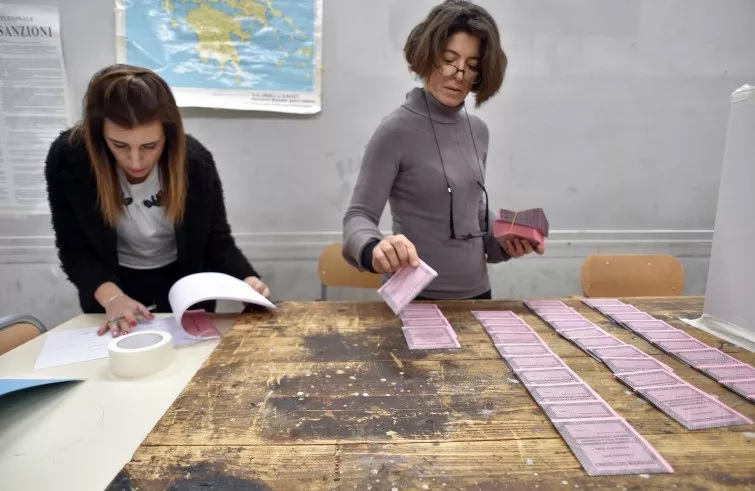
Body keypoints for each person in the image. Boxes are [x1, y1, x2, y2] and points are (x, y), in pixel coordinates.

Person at [45, 64, 270, 337]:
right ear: (98, 135)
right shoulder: (69, 159)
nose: (136, 161)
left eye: (150, 146)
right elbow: (73, 248)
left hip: (182, 286)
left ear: (169, 135)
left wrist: (247, 280)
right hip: (110, 287)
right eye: (120, 145)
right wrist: (113, 298)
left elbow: (216, 240)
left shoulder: (195, 163)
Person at [342, 0, 544, 301]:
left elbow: (473, 214)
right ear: (427, 56)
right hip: (418, 300)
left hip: (478, 296)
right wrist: (374, 248)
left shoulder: (478, 131)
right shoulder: (395, 130)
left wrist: (506, 241)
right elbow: (358, 215)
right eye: (449, 60)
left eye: (472, 66)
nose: (459, 75)